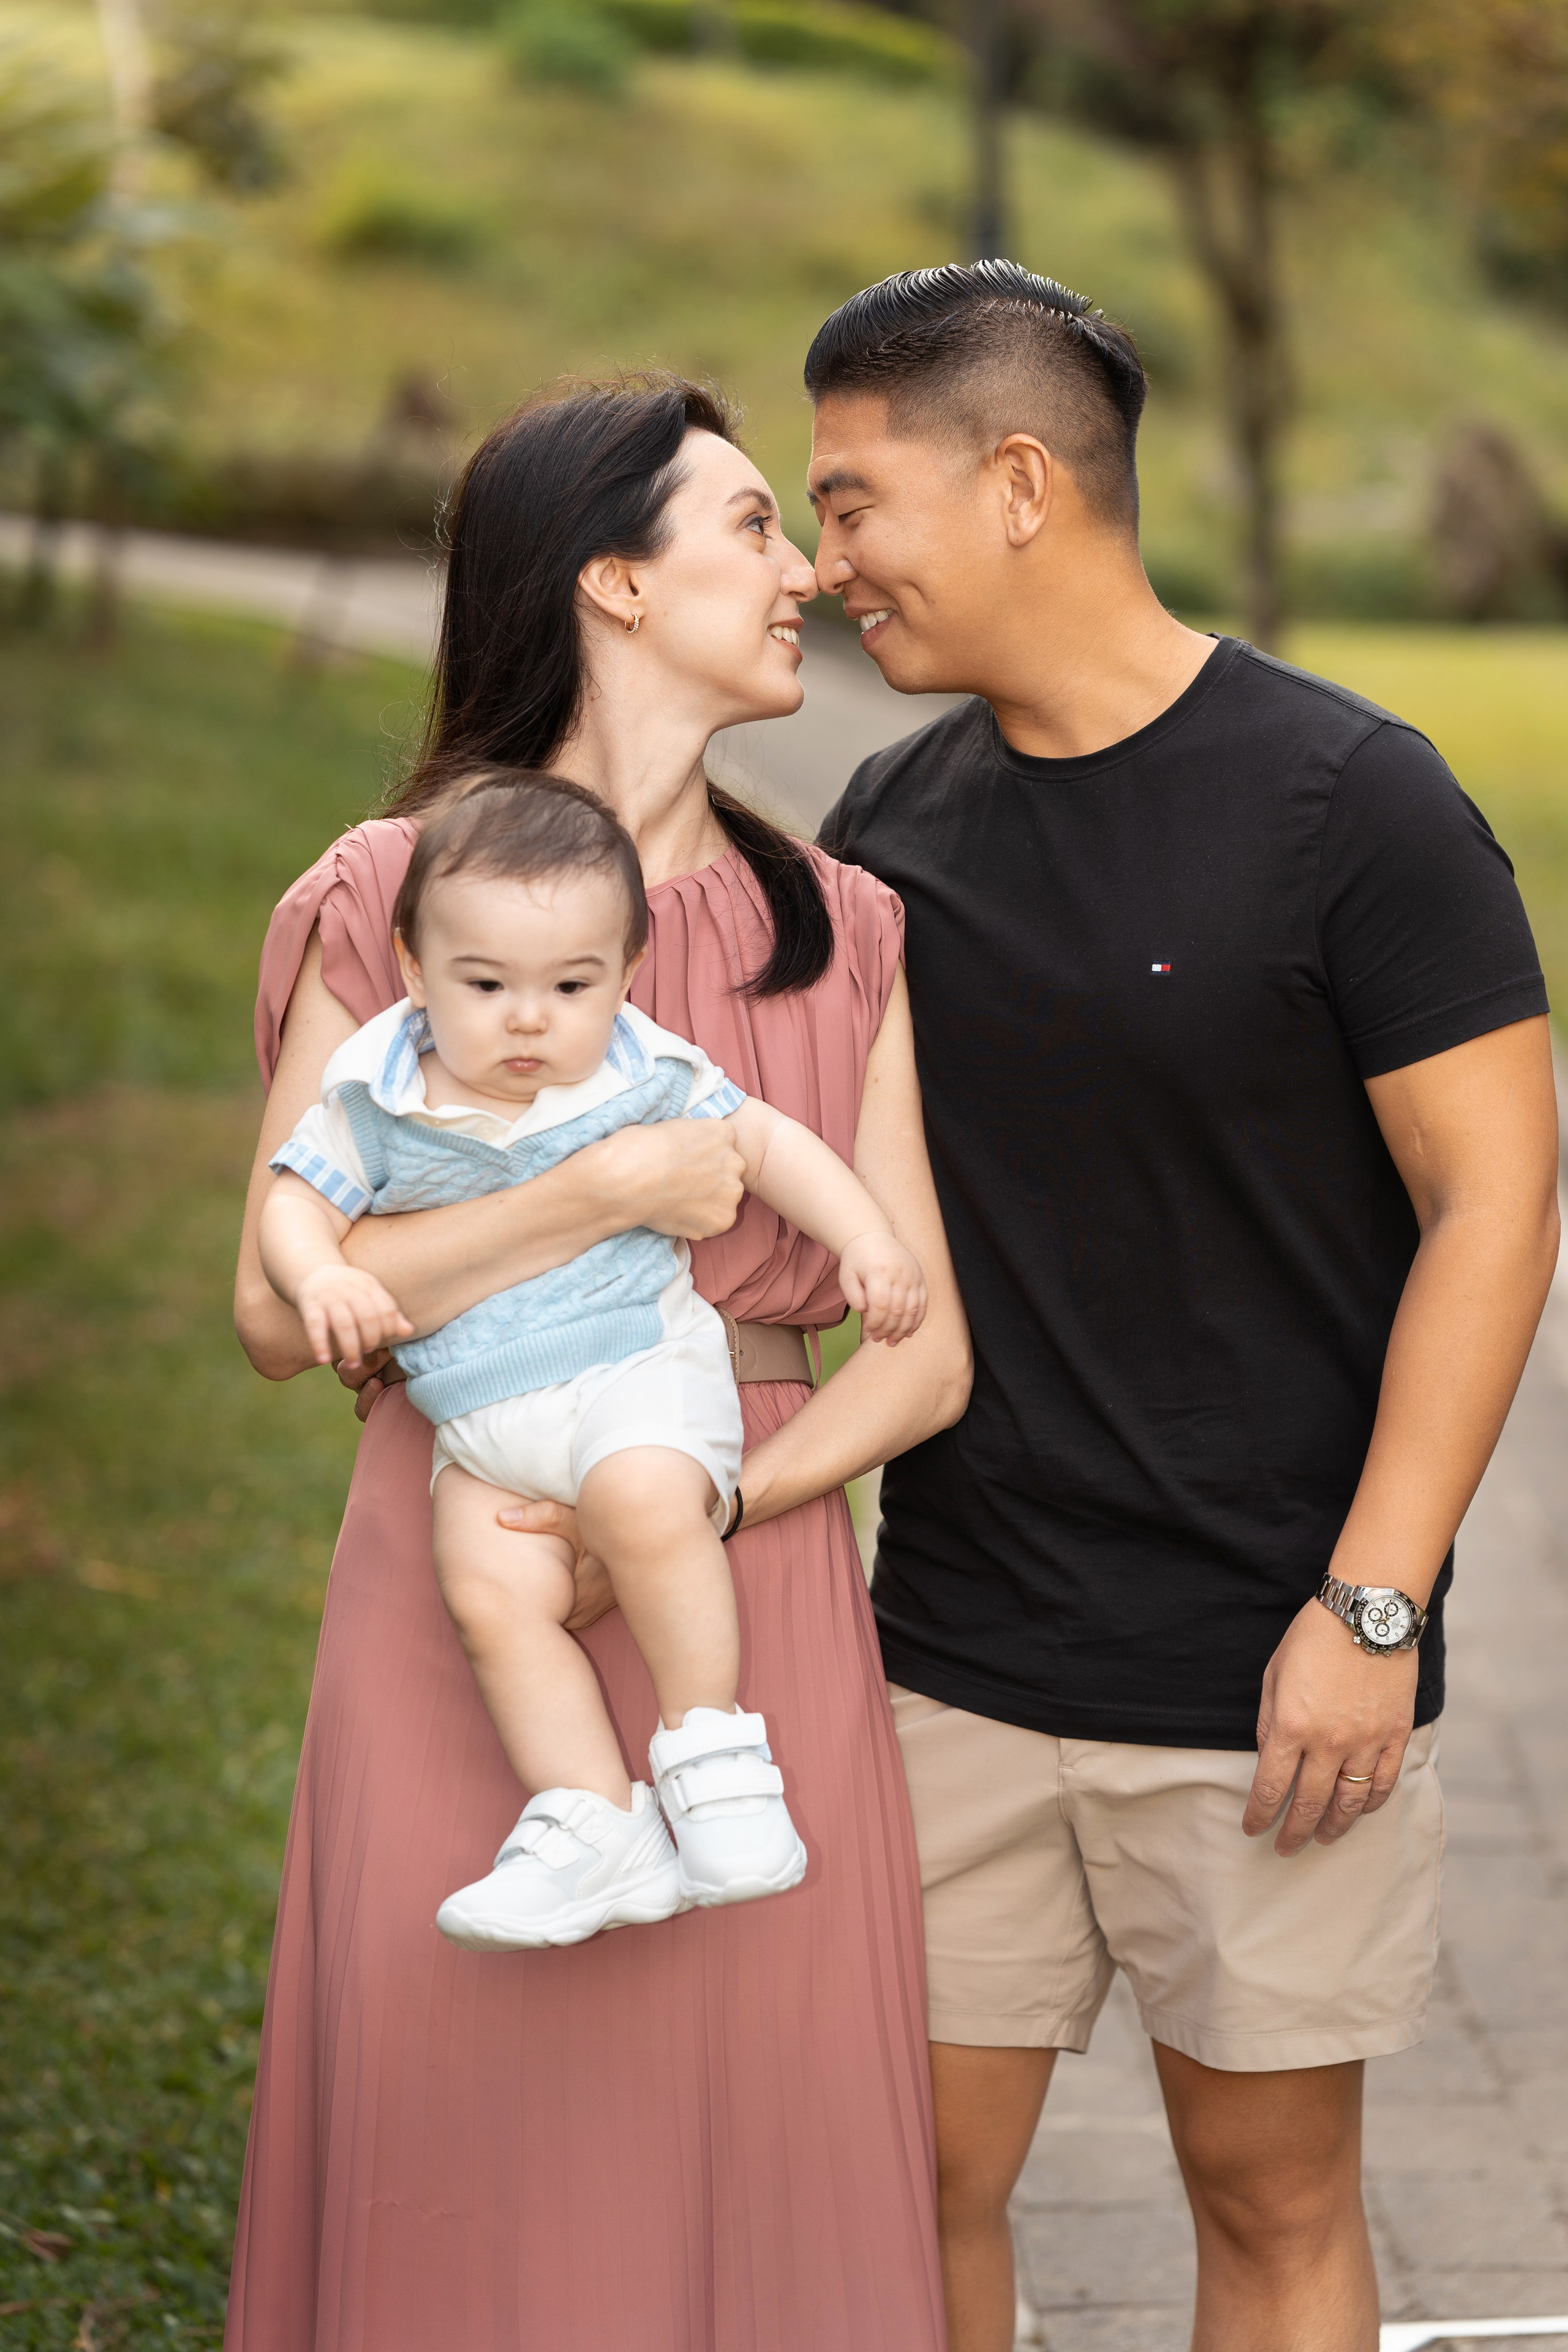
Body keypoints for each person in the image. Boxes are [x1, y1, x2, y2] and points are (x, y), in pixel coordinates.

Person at [808, 262, 1559, 2352]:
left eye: (855, 502)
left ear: (1019, 483)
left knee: (1270, 2198)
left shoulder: (1354, 800)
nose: (827, 558)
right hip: (955, 1650)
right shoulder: (890, 825)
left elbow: (1498, 1204)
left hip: (1268, 1669)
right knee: (907, 2183)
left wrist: (1374, 1609)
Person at [227, 377, 968, 2351]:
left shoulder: (846, 928)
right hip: (464, 1556)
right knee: (467, 2136)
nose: (807, 569)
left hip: (748, 1566)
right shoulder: (388, 897)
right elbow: (276, 1306)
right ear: (614, 582)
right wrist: (602, 1194)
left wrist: (698, 1510)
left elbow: (925, 1361)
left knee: (761, 2136)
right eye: (754, 525)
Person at [259, 766, 927, 1948]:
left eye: (572, 985)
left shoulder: (636, 1069)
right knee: (490, 1596)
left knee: (639, 1499)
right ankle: (592, 1818)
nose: (531, 1019)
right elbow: (293, 1205)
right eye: (486, 985)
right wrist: (320, 1275)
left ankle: (713, 1756)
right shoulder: (378, 1091)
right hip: (480, 1423)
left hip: (633, 1372)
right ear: (415, 969)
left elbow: (768, 1143)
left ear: (625, 975)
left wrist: (867, 1237)